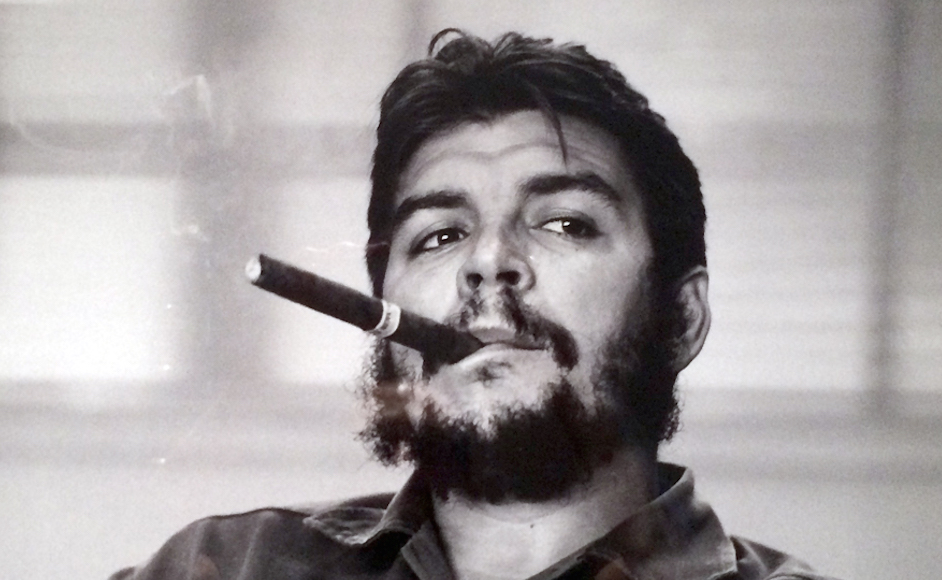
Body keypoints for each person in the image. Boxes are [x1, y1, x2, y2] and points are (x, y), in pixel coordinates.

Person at [112, 30, 841, 580]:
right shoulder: (225, 566)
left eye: (565, 223)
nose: (486, 262)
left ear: (681, 319)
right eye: (440, 235)